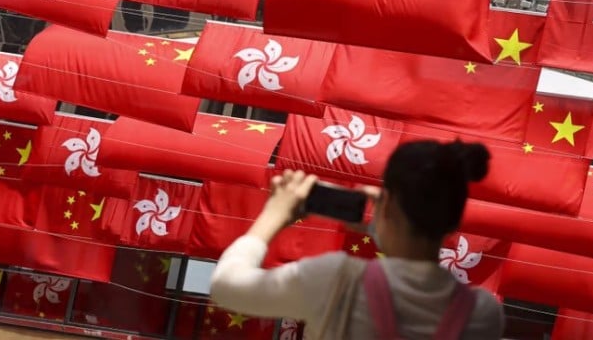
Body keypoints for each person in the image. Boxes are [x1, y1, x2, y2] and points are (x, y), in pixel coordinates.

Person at [210, 140, 504, 339]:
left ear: (386, 204)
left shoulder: (338, 281)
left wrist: (273, 214)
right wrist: (384, 221)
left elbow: (226, 286)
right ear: (453, 223)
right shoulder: (482, 314)